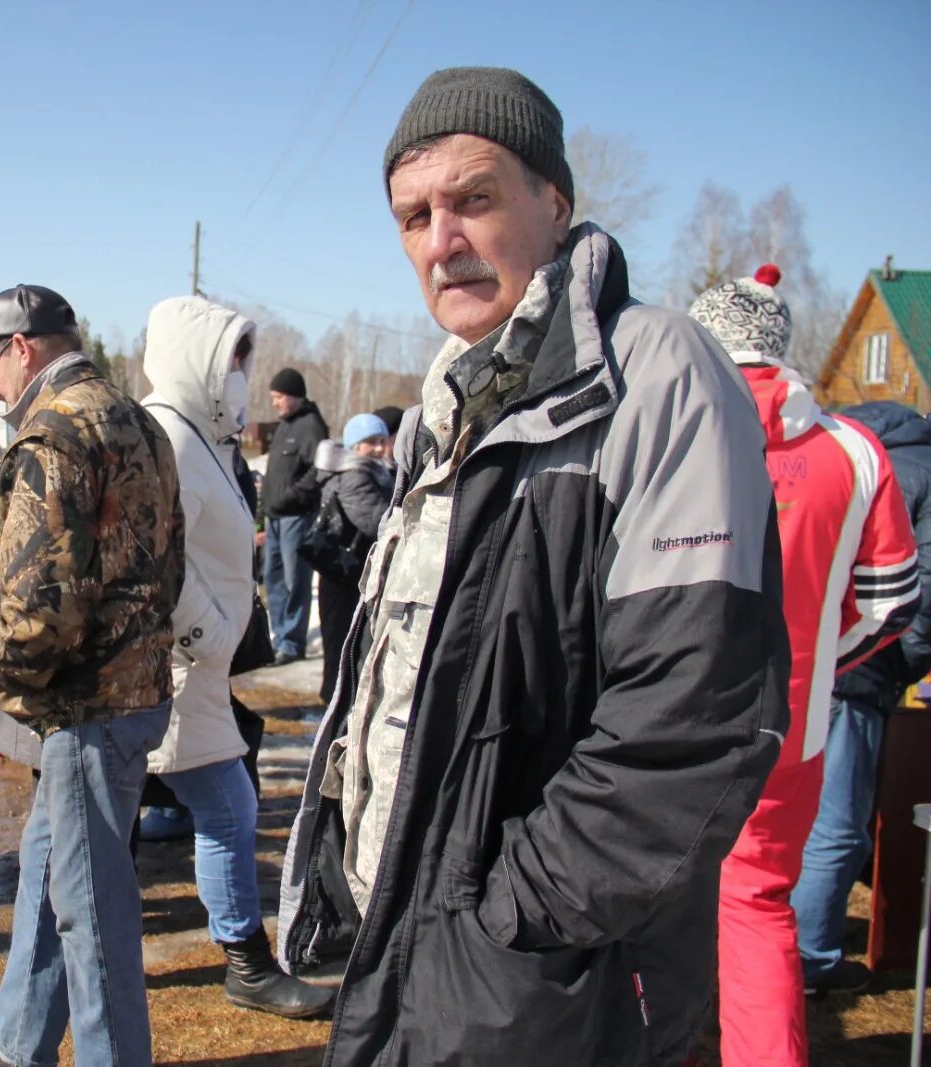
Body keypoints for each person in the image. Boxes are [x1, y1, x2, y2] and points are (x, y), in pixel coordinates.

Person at [276, 67, 789, 1065]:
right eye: (413, 215)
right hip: (415, 941)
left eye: (474, 199)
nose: (440, 242)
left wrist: (502, 919)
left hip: (541, 979)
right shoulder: (451, 407)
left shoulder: (655, 380)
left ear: (553, 203)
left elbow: (686, 722)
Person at [0, 283, 183, 1067]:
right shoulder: (140, 421)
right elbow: (170, 560)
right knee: (50, 871)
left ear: (22, 346)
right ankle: (20, 1041)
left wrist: (15, 683)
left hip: (86, 707)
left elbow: (39, 606)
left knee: (91, 909)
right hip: (133, 691)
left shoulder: (52, 433)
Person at [688, 266, 916, 1064]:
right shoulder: (855, 449)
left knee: (655, 911)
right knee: (756, 906)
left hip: (661, 720)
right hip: (792, 721)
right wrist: (819, 659)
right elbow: (893, 597)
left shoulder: (663, 425)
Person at [137, 294, 335, 1019]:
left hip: (200, 667)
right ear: (197, 359)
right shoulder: (167, 436)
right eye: (234, 361)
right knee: (224, 805)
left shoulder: (200, 433)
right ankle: (243, 962)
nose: (242, 377)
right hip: (179, 667)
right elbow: (156, 558)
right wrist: (209, 632)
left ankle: (91, 960)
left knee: (159, 812)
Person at [793, 401, 931, 997]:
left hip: (796, 654)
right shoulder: (923, 470)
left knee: (782, 813)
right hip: (860, 666)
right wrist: (900, 666)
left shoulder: (833, 449)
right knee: (837, 825)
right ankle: (809, 960)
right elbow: (920, 596)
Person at [312, 414, 395, 706]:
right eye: (370, 442)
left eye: (381, 441)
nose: (377, 448)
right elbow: (376, 521)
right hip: (342, 577)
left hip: (355, 573)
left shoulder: (377, 470)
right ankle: (334, 711)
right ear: (354, 445)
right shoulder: (353, 475)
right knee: (341, 647)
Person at [260, 367, 328, 665]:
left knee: (294, 580)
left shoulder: (310, 426)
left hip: (296, 518)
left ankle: (292, 643)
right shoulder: (285, 425)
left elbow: (319, 472)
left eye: (278, 397)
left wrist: (290, 498)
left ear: (293, 395)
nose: (274, 402)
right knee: (273, 579)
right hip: (275, 518)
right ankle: (279, 636)